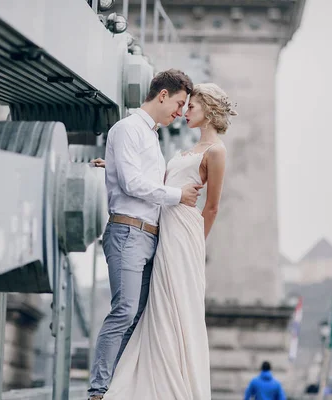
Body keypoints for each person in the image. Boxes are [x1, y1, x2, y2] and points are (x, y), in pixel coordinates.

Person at [91, 82, 235, 399]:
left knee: (175, 305)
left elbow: (211, 206)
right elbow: (156, 180)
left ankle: (174, 386)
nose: (184, 113)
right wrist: (113, 166)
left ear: (208, 111)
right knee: (154, 307)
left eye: (191, 107)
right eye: (183, 106)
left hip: (183, 233)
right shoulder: (184, 150)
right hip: (161, 228)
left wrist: (196, 243)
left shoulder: (217, 151)